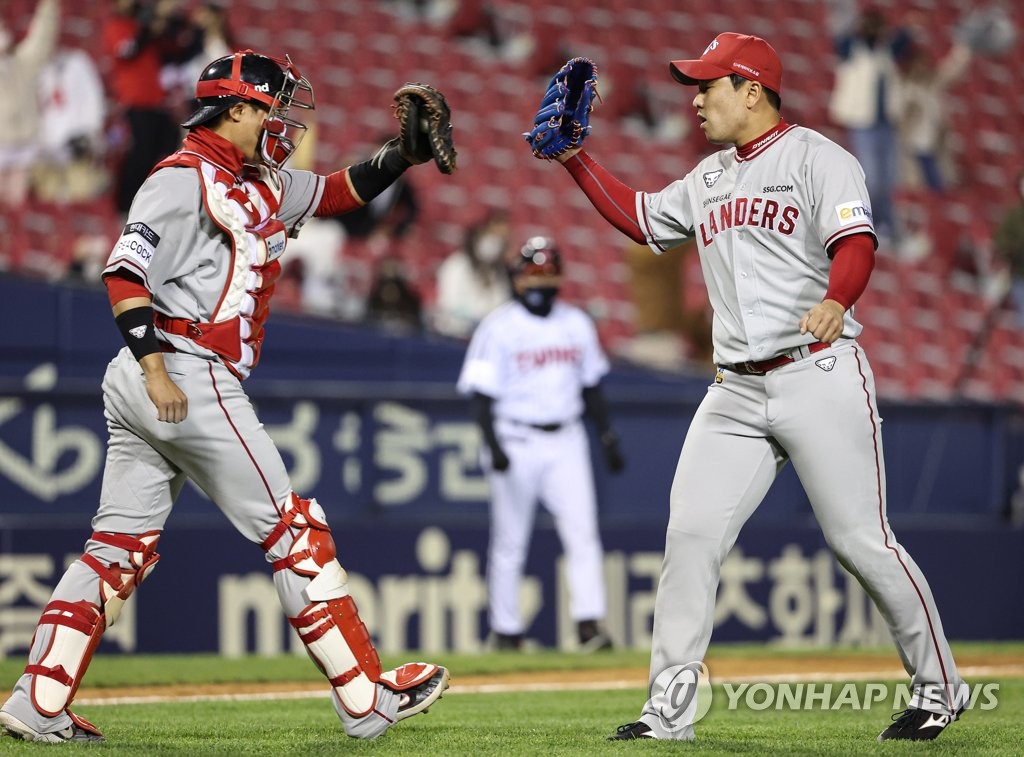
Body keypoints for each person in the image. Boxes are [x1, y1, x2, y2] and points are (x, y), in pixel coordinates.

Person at [0, 49, 452, 743]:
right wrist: (156, 366)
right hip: (182, 368)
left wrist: (402, 155)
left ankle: (39, 698)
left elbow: (335, 192)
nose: (281, 121)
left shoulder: (258, 180)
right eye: (270, 107)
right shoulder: (180, 179)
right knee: (293, 530)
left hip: (161, 377)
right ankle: (364, 696)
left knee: (116, 546)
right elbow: (123, 274)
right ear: (235, 108)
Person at [530, 33, 965, 741]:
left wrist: (838, 296)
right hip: (734, 388)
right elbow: (640, 220)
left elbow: (855, 243)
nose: (696, 99)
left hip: (816, 368)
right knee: (691, 538)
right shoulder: (707, 178)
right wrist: (576, 160)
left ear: (752, 90)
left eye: (709, 86)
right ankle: (667, 713)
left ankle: (938, 688)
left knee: (861, 540)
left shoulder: (821, 158)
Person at [456, 237, 626, 652]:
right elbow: (480, 394)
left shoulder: (575, 323)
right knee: (511, 539)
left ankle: (590, 624)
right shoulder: (498, 326)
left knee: (582, 533)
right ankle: (506, 629)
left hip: (566, 438)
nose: (539, 282)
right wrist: (493, 443)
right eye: (533, 273)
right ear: (517, 278)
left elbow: (592, 388)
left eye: (547, 273)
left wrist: (606, 436)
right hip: (515, 436)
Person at [828, 4, 913, 245]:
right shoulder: (851, 48)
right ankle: (870, 224)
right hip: (863, 123)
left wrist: (907, 26)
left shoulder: (884, 52)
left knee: (889, 180)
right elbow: (838, 34)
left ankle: (886, 227)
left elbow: (902, 43)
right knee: (872, 178)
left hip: (887, 123)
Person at [0, 0, 59, 209]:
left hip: (25, 146)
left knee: (17, 211)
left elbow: (42, 38)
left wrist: (49, 6)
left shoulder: (24, 61)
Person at [433, 209, 513, 338]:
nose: (495, 243)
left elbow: (502, 305)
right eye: (491, 236)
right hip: (454, 336)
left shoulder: (499, 273)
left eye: (501, 239)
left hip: (486, 336)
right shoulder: (456, 265)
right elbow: (449, 305)